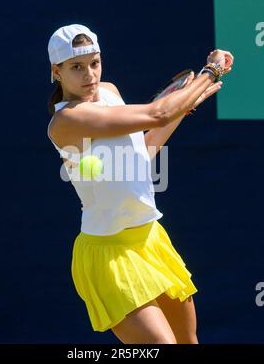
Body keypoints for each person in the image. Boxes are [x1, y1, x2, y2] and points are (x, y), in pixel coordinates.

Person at [46, 24, 233, 344]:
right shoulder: (66, 121)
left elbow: (143, 151)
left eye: (95, 62)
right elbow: (157, 113)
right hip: (108, 257)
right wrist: (211, 70)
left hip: (150, 240)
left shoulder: (109, 92)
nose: (90, 74)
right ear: (57, 72)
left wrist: (181, 108)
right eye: (77, 67)